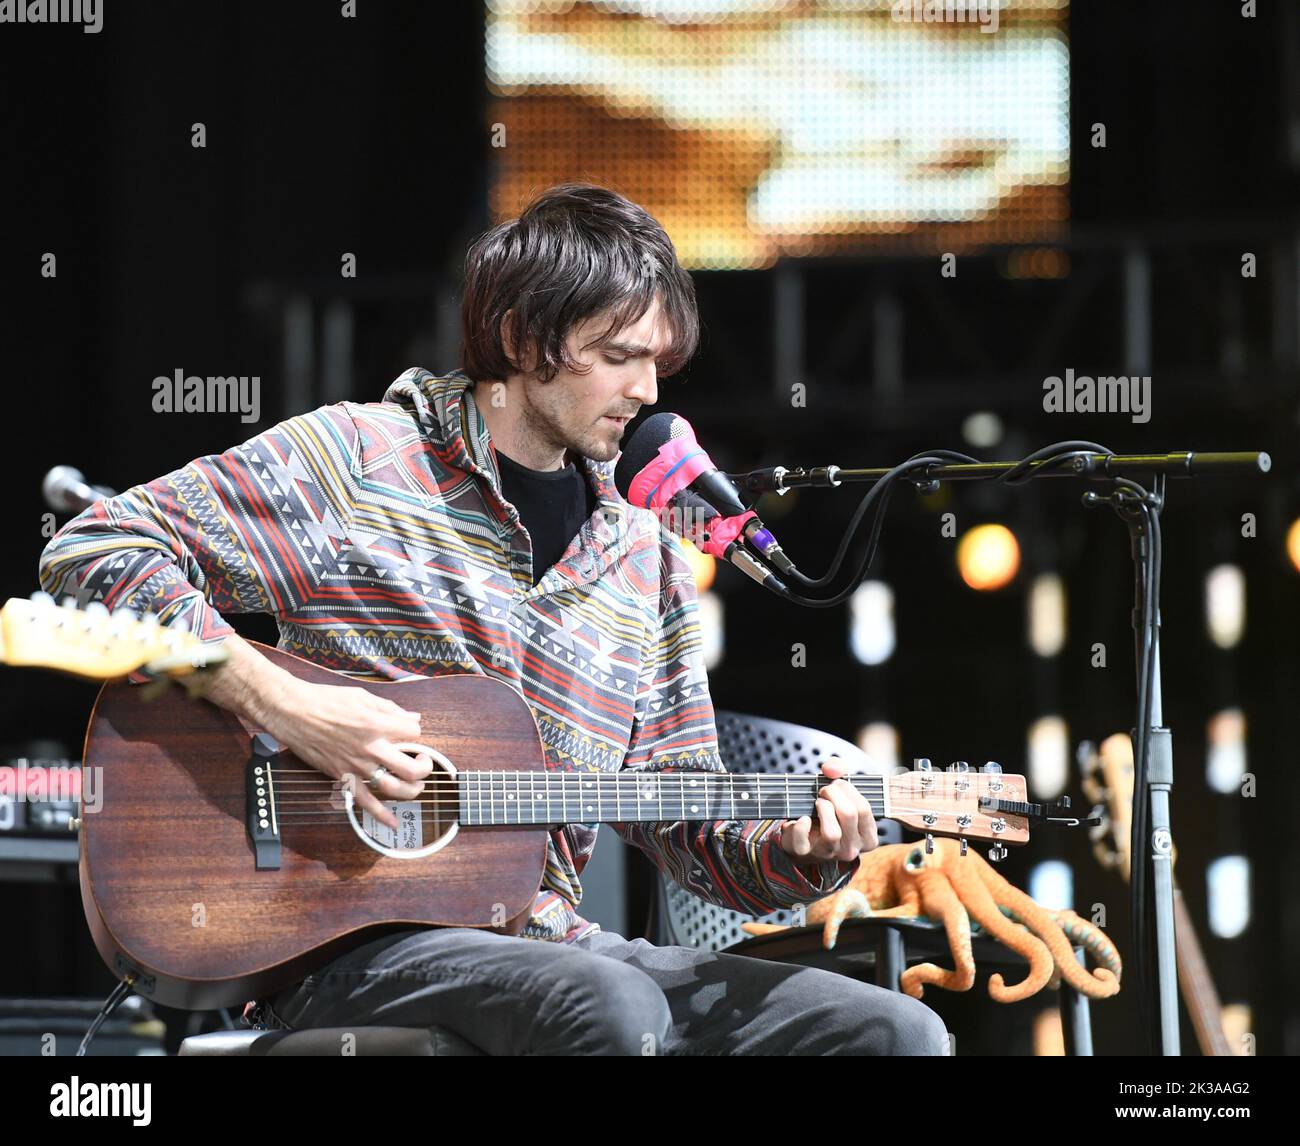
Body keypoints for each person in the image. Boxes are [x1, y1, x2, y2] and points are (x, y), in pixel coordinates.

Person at [39, 183, 950, 1056]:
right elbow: (93, 550)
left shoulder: (648, 554)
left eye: (658, 363)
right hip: (344, 944)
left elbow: (693, 829)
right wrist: (286, 705)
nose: (647, 392)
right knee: (610, 1003)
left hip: (550, 942)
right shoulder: (365, 458)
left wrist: (805, 851)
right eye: (619, 356)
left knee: (894, 1032)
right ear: (522, 337)